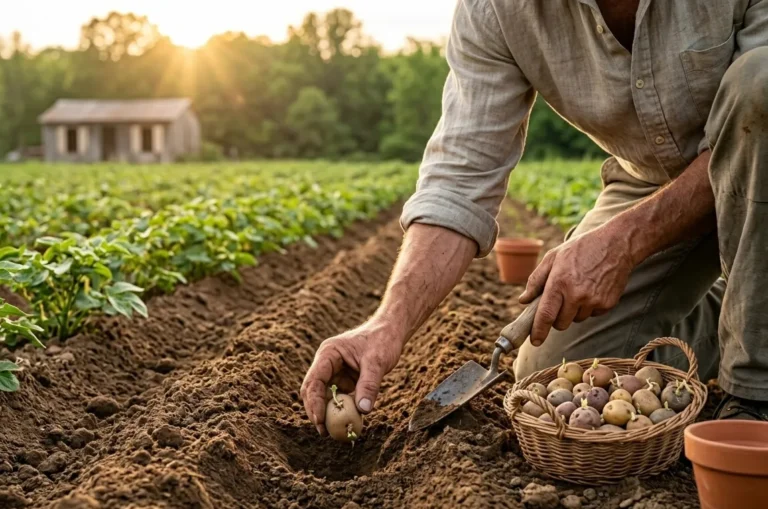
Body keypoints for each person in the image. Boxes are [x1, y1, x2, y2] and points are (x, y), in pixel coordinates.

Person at [301, 0, 768, 435]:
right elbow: (460, 178)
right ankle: (739, 308)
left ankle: (755, 394)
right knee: (559, 366)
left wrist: (624, 240)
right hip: (655, 180)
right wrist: (386, 326)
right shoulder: (497, 10)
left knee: (761, 82)